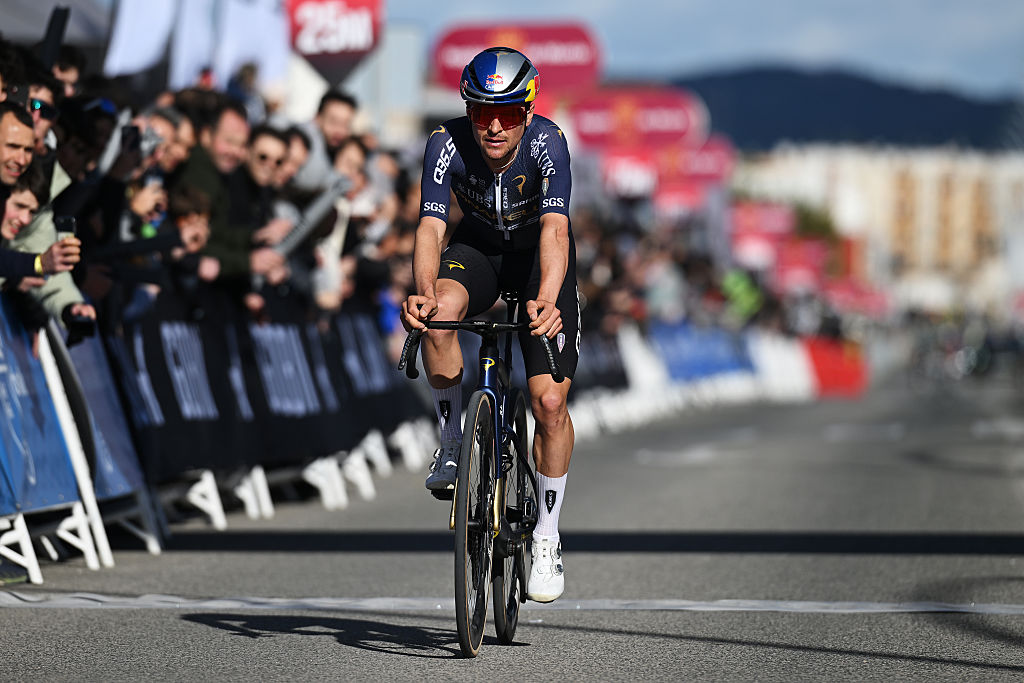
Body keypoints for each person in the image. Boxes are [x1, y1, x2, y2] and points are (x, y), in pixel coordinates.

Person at [401, 47, 580, 603]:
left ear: (527, 111)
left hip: (535, 263)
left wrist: (548, 298)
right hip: (477, 251)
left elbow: (555, 229)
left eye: (506, 113)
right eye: (481, 113)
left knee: (548, 403)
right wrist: (425, 292)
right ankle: (453, 437)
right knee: (440, 317)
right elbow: (431, 228)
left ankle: (547, 534)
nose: (494, 126)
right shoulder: (444, 144)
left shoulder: (549, 143)